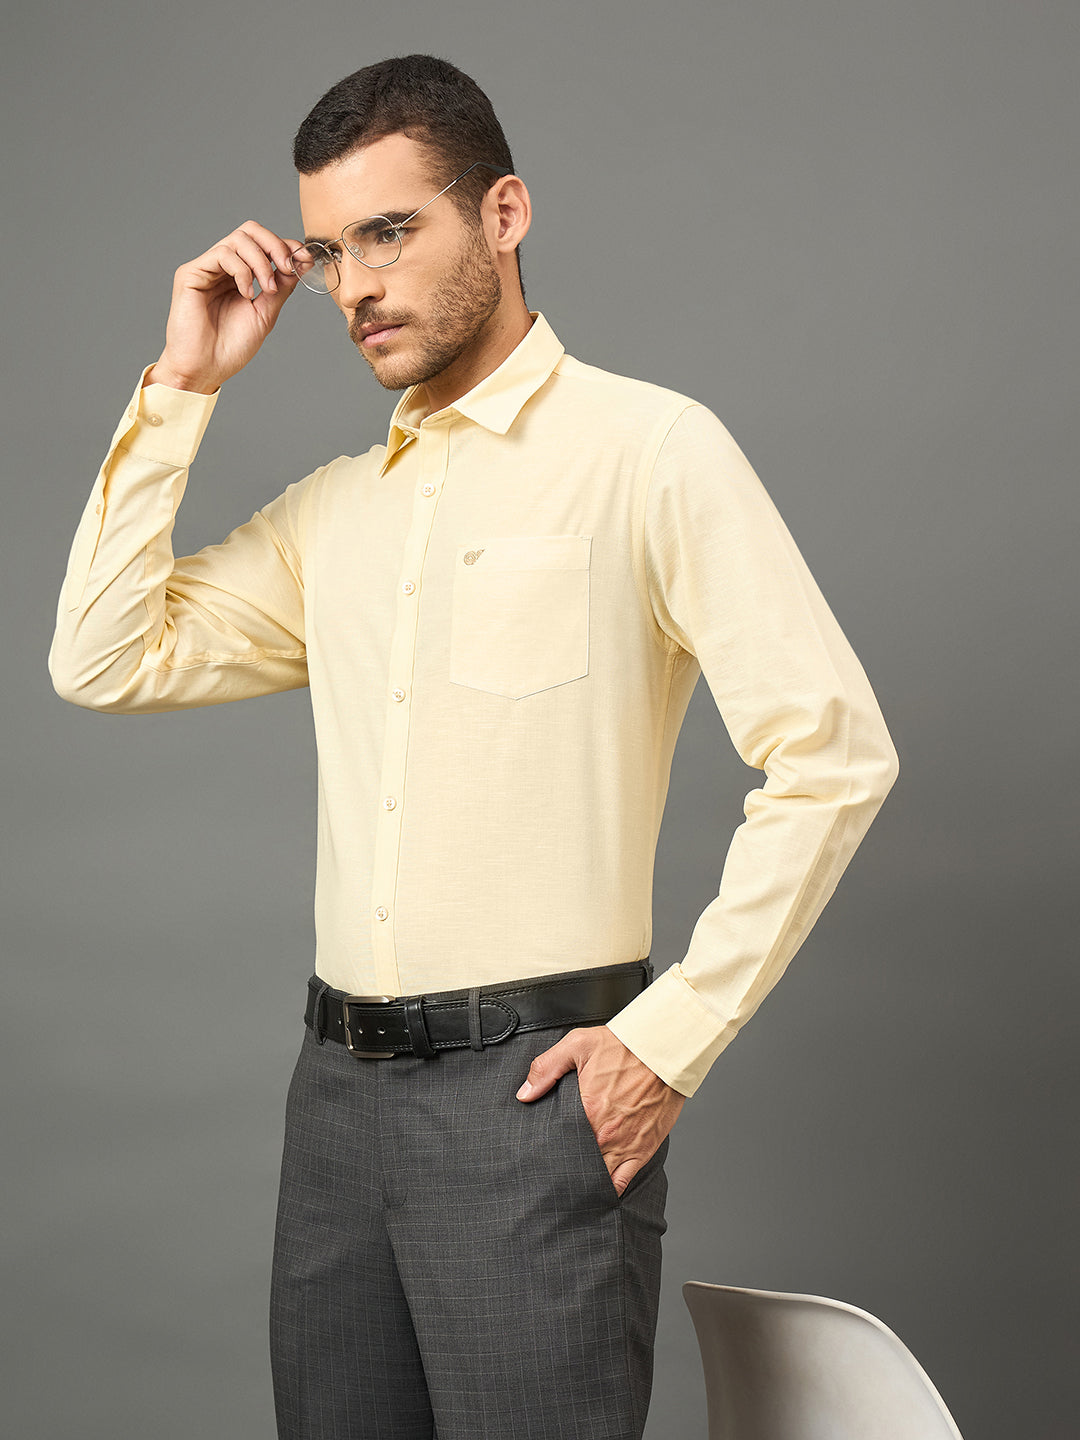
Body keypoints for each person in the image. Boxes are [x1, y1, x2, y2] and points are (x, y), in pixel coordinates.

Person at [49, 53, 899, 1440]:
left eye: (390, 233)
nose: (355, 286)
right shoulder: (334, 513)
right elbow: (100, 657)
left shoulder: (651, 450)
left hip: (534, 1104)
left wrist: (669, 1043)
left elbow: (834, 755)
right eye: (330, 252)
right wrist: (182, 387)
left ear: (504, 214)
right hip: (334, 1112)